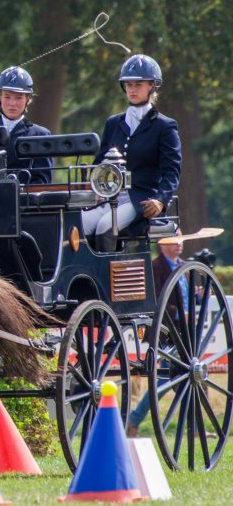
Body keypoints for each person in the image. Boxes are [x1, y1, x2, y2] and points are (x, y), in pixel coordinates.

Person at [81, 54, 181, 251]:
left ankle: (106, 279)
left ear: (152, 86)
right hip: (110, 197)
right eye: (128, 85)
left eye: (138, 84)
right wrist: (93, 186)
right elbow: (99, 161)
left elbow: (171, 171)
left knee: (105, 225)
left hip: (141, 199)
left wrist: (160, 200)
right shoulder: (113, 123)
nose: (132, 90)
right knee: (79, 223)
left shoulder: (165, 126)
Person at [127, 236, 185, 437]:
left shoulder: (185, 267)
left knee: (184, 379)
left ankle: (193, 428)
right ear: (161, 244)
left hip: (185, 333)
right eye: (173, 239)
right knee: (168, 380)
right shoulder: (155, 267)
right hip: (165, 330)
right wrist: (178, 313)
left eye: (181, 238)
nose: (179, 242)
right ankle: (134, 419)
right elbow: (155, 300)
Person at [0, 66, 53, 184]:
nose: (12, 103)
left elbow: (42, 179)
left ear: (27, 99)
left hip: (25, 199)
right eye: (7, 97)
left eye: (19, 97)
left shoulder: (40, 134)